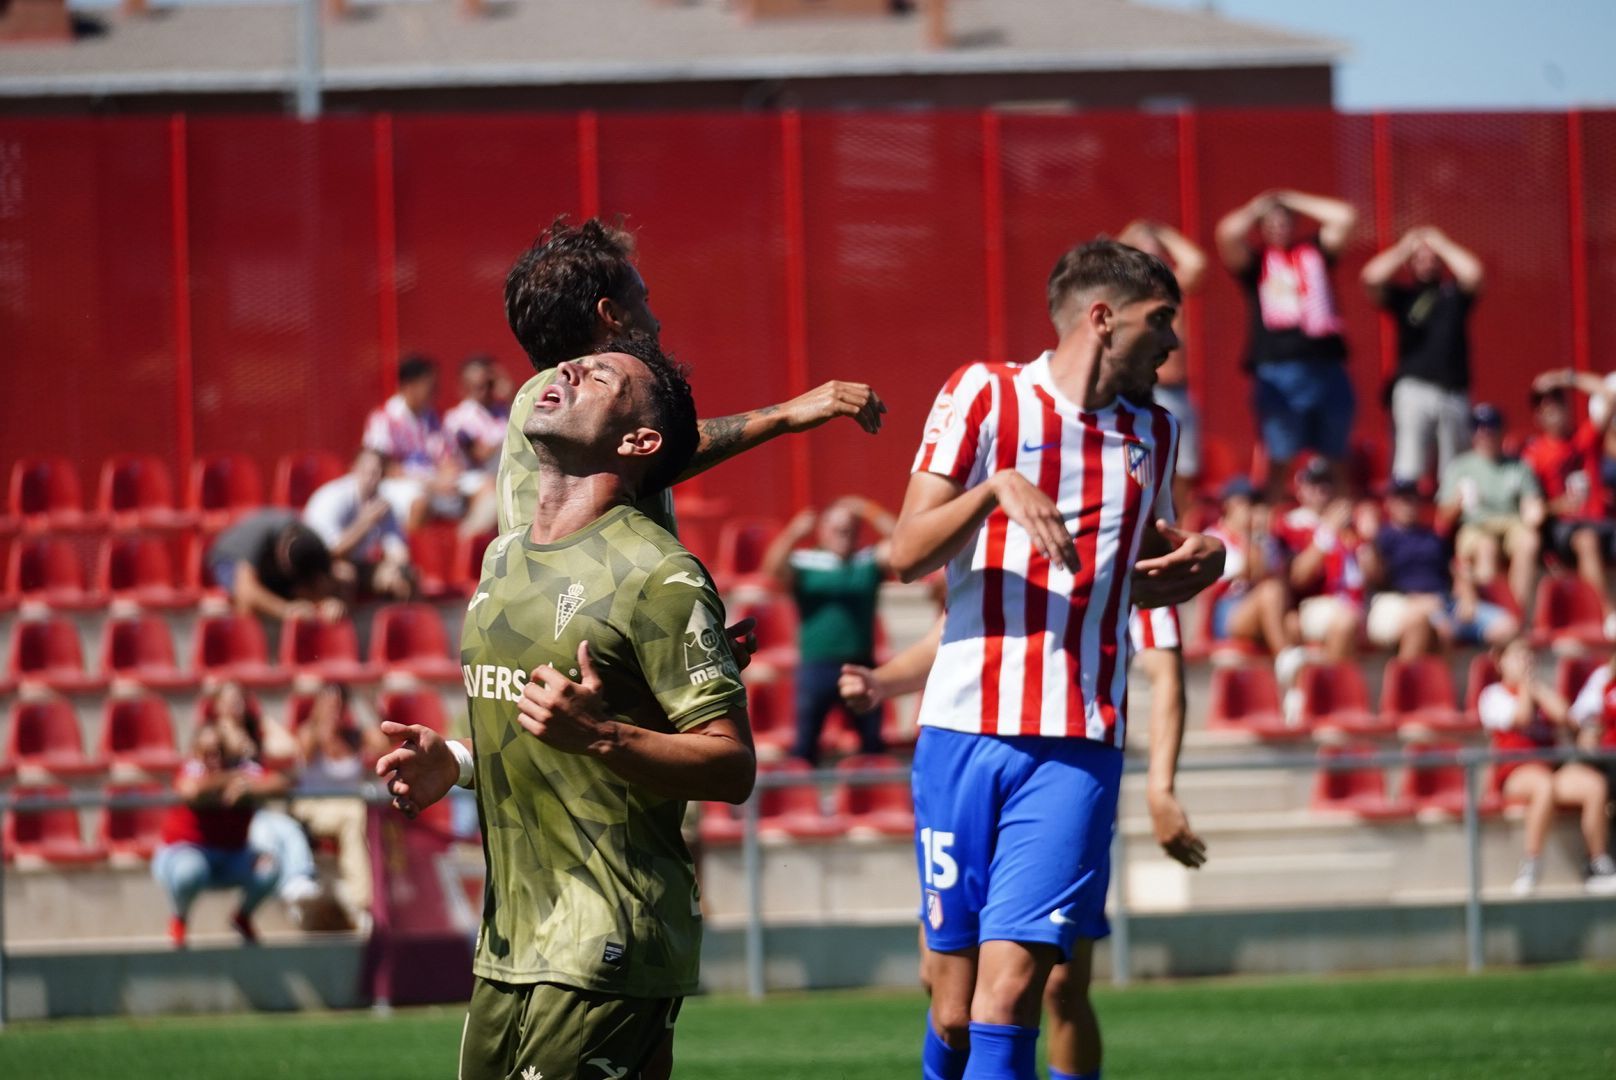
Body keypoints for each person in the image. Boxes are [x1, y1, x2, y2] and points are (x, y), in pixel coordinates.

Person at [888, 239, 1223, 1080]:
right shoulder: (984, 394)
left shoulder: (1154, 432)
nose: (1171, 344)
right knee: (955, 1012)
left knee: (1013, 999)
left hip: (1077, 743)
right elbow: (906, 552)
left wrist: (1204, 561)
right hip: (961, 733)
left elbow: (1130, 579)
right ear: (1102, 318)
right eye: (1160, 322)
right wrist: (996, 487)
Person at [377, 336, 755, 1080]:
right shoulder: (501, 560)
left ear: (639, 439)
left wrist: (607, 736)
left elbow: (732, 765)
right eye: (576, 366)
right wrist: (453, 761)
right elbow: (544, 738)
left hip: (608, 938)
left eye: (605, 378)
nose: (572, 369)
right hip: (511, 944)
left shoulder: (661, 573)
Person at [838, 604, 1208, 1080]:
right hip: (964, 771)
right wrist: (882, 683)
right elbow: (950, 630)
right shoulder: (991, 543)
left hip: (1062, 779)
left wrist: (1161, 787)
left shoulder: (1120, 544)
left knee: (1055, 988)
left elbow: (1166, 676)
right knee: (951, 1009)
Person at [495, 217, 886, 538]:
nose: (657, 321)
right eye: (643, 302)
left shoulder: (555, 405)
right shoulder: (546, 394)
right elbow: (671, 446)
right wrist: (783, 415)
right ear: (611, 315)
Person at [1215, 189, 1358, 499]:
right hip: (1278, 371)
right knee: (1280, 456)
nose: (1278, 228)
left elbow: (1346, 217)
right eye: (1271, 223)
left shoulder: (1314, 252)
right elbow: (1226, 234)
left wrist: (1293, 200)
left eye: (1284, 222)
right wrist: (1258, 206)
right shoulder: (1256, 262)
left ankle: (1344, 532)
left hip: (1325, 367)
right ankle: (1273, 528)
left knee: (1337, 455)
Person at [760, 496, 895, 764]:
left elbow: (903, 542)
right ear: (823, 531)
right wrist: (793, 533)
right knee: (806, 745)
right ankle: (800, 800)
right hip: (817, 666)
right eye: (836, 528)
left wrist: (869, 509)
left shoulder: (866, 561)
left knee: (872, 745)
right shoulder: (807, 562)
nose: (843, 534)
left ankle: (866, 798)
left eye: (849, 528)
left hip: (860, 666)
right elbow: (772, 570)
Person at [1477, 637, 1616, 896]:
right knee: (1543, 786)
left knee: (1594, 786)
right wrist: (1526, 689)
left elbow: (1566, 718)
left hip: (1550, 767)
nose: (1526, 663)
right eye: (1519, 657)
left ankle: (1597, 863)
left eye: (1529, 657)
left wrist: (1536, 688)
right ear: (1501, 662)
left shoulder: (1540, 689)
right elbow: (1522, 718)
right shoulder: (1492, 695)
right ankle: (1531, 863)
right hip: (1515, 771)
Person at [1361, 226, 1485, 483]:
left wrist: (1440, 243)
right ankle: (1405, 517)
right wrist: (1406, 247)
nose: (1427, 263)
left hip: (1453, 390)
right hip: (1413, 389)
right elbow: (1371, 278)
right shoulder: (1404, 296)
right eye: (1420, 259)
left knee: (1455, 471)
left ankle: (1448, 520)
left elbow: (1474, 273)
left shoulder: (1454, 294)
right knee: (1409, 464)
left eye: (1432, 258)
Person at [152, 724, 289, 948]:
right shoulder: (193, 769)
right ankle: (180, 917)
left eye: (218, 751)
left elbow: (282, 782)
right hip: (185, 852)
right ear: (196, 753)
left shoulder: (243, 770)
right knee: (190, 872)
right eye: (207, 752)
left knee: (269, 866)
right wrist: (229, 780)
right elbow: (191, 790)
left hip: (232, 855)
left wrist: (249, 788)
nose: (213, 758)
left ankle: (242, 917)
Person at [1365, 478, 1516, 659]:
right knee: (1443, 631)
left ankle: (1490, 680)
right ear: (1390, 503)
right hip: (1408, 602)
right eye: (1403, 499)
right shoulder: (1383, 537)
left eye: (1413, 498)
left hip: (1445, 602)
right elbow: (1376, 577)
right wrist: (1370, 541)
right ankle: (1435, 685)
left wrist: (1467, 594)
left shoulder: (1432, 536)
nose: (1408, 504)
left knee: (1507, 628)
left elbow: (1455, 568)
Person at [1116, 219, 1208, 511]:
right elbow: (1108, 261)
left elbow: (1196, 263)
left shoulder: (1169, 290)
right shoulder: (1124, 291)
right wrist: (1131, 237)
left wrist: (1161, 232)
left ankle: (1174, 532)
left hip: (1174, 390)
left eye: (1156, 255)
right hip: (1137, 390)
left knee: (1184, 469)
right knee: (1137, 467)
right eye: (1144, 254)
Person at [1522, 371, 1616, 635]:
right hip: (1564, 529)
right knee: (1586, 540)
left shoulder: (1584, 439)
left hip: (1600, 520)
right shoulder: (1535, 453)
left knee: (1592, 534)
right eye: (1545, 407)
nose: (1553, 411)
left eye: (1558, 404)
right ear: (1537, 416)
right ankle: (1607, 617)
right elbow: (1532, 509)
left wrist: (1565, 378)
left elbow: (1610, 395)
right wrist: (1558, 506)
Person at [291, 683, 386, 928]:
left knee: (363, 814)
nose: (334, 710)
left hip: (350, 808)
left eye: (338, 704)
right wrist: (322, 723)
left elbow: (382, 744)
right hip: (314, 807)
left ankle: (382, 896)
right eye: (328, 703)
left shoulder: (353, 736)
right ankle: (361, 902)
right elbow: (306, 752)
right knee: (355, 815)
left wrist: (367, 708)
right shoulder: (308, 733)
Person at [1436, 403, 1544, 614]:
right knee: (1486, 548)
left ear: (1501, 431)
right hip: (1475, 526)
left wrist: (1534, 512)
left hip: (1511, 523)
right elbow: (1442, 517)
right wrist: (1458, 502)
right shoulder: (1460, 467)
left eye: (1490, 427)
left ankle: (1516, 615)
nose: (1484, 433)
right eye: (1478, 427)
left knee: (1530, 541)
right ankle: (1492, 619)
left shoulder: (1518, 466)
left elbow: (1533, 505)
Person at [1273, 455, 1372, 666]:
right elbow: (1298, 578)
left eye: (1326, 482)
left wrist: (1369, 538)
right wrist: (1327, 531)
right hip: (1314, 604)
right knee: (1346, 621)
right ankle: (1328, 691)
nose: (1321, 489)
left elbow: (1375, 575)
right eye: (1313, 483)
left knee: (1421, 621)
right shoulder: (1291, 524)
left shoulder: (1351, 524)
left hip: (1359, 602)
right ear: (1299, 487)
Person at [1200, 476, 1301, 666]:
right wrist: (1248, 536)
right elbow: (1247, 572)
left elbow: (1275, 577)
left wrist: (1259, 536)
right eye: (1244, 503)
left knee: (1293, 623)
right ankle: (1286, 663)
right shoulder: (1213, 537)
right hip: (1227, 611)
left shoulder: (1264, 539)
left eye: (1253, 504)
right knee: (1270, 592)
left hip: (1260, 606)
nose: (1250, 510)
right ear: (1229, 505)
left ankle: (1292, 685)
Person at [362, 354, 469, 530]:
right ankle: (412, 552)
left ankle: (463, 549)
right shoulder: (384, 418)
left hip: (434, 481)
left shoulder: (436, 418)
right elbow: (383, 467)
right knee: (420, 502)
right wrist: (431, 484)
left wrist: (448, 478)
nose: (435, 391)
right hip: (395, 485)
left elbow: (450, 460)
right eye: (430, 386)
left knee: (486, 491)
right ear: (409, 387)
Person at [301, 447, 416, 602]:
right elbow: (331, 552)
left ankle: (405, 623)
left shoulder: (382, 503)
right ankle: (342, 626)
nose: (374, 478)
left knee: (404, 579)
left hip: (357, 564)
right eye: (369, 472)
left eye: (379, 473)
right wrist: (366, 522)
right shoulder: (332, 500)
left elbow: (398, 552)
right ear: (354, 470)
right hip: (317, 568)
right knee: (346, 576)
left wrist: (399, 571)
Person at [205, 509, 345, 623]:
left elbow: (324, 584)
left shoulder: (313, 545)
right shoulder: (260, 537)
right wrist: (286, 610)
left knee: (345, 575)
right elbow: (247, 590)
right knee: (247, 603)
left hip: (270, 574)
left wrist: (328, 603)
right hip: (229, 558)